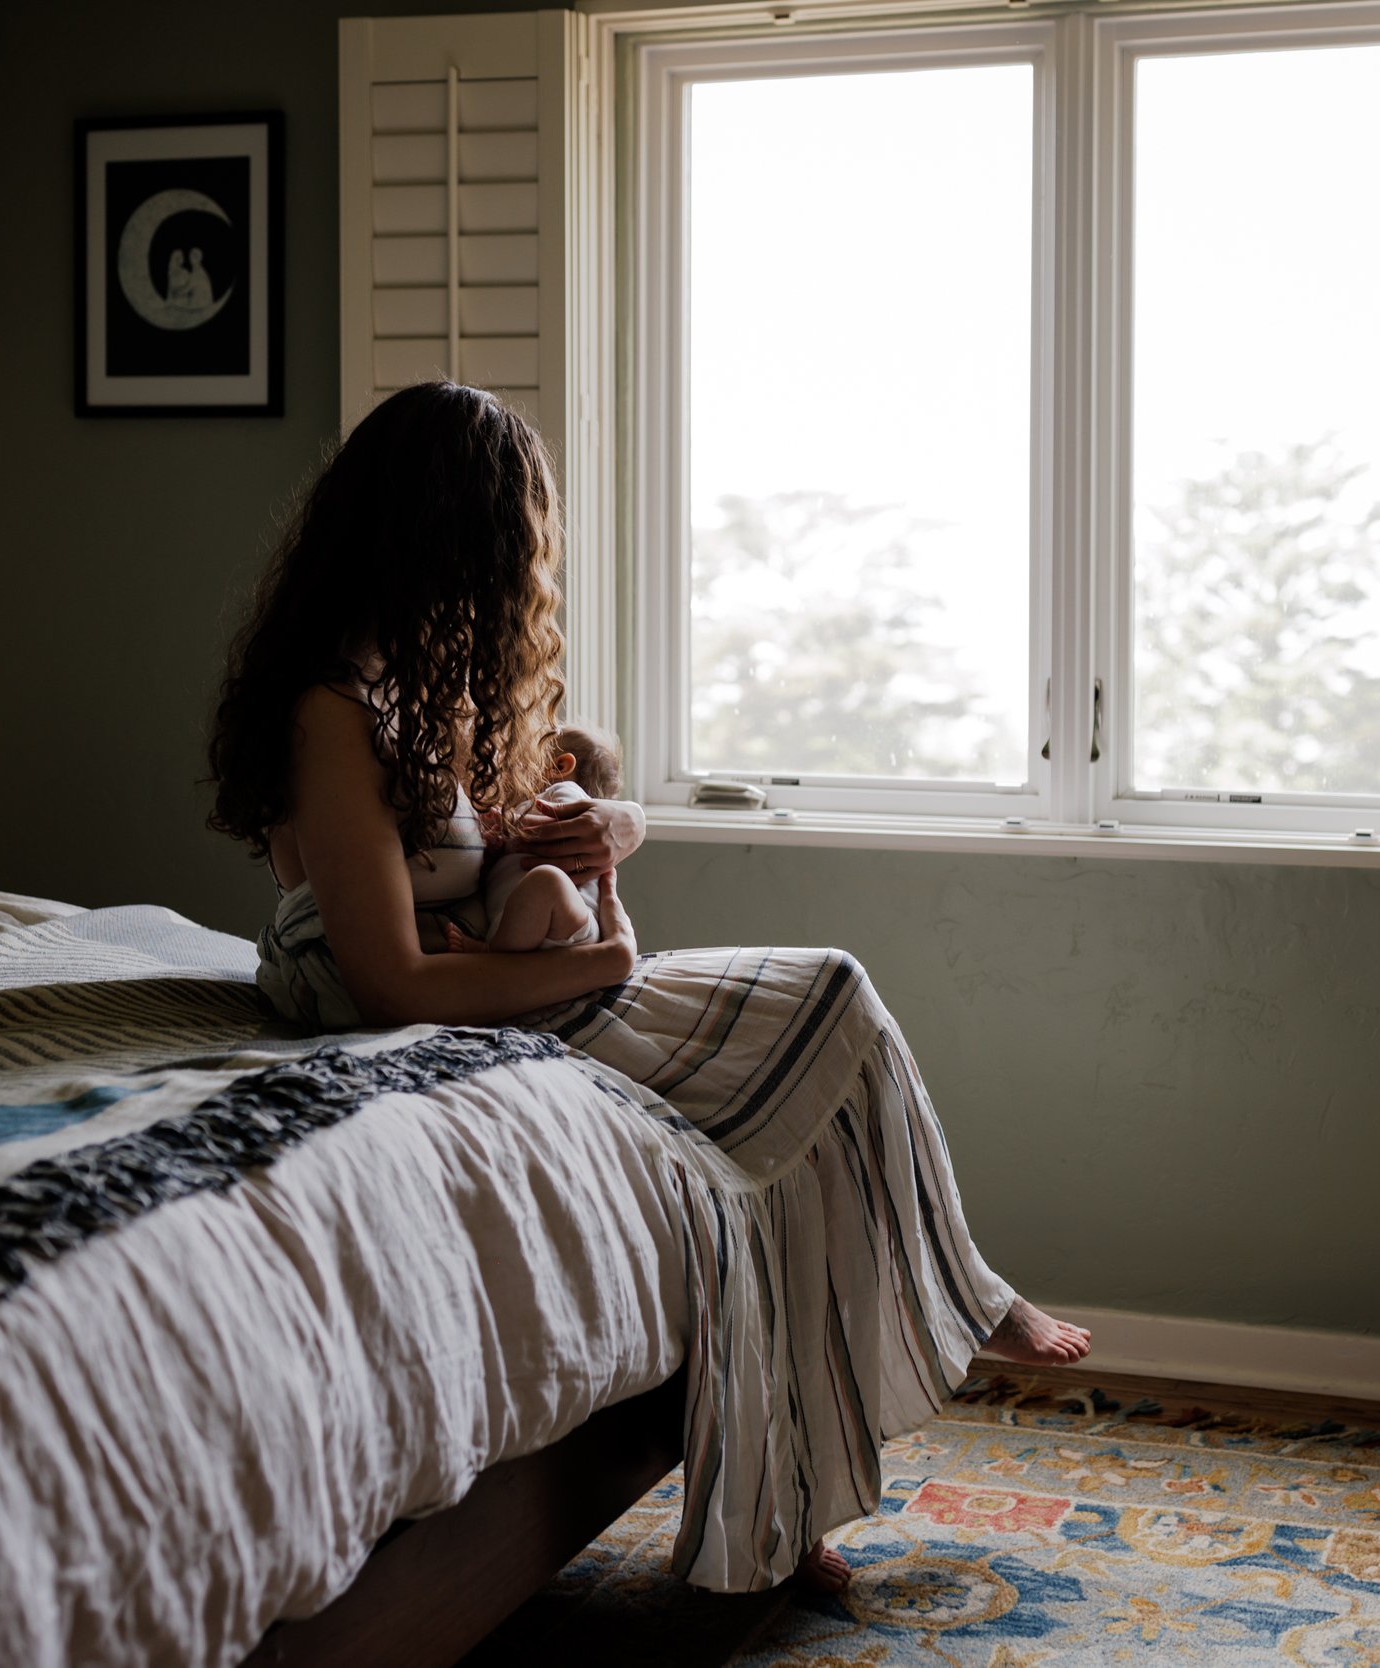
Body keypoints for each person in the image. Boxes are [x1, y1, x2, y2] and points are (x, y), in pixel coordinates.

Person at [206, 381, 1089, 1594]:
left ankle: (786, 1511)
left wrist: (567, 845)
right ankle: (960, 1300)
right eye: (514, 541)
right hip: (438, 1000)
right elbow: (388, 977)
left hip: (507, 978)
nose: (523, 574)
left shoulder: (423, 694)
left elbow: (473, 872)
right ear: (442, 534)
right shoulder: (331, 708)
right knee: (826, 997)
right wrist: (603, 959)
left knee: (786, 1116)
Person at [450, 723, 622, 953]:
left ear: (559, 766)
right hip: (522, 927)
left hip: (569, 919)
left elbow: (559, 829)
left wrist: (505, 821)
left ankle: (490, 957)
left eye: (526, 757)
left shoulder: (565, 793)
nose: (514, 766)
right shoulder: (527, 806)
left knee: (547, 881)